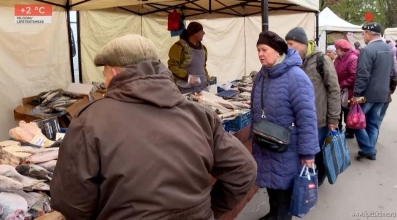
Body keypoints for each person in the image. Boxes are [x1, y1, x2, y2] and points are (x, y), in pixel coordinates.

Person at [50, 34, 257, 220]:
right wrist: (209, 210)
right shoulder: (200, 114)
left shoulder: (90, 121)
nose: (105, 81)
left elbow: (71, 205)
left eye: (104, 74)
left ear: (113, 72)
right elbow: (245, 170)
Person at [251, 30, 319, 220]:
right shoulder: (261, 76)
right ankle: (274, 214)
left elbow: (307, 118)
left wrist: (308, 153)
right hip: (265, 145)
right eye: (258, 50)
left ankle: (280, 216)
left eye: (264, 49)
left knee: (284, 193)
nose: (260, 54)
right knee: (272, 187)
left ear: (277, 50)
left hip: (287, 149)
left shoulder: (296, 77)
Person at [285, 27, 341, 186]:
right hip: (298, 119)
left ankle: (318, 179)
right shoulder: (291, 61)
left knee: (318, 154)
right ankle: (306, 178)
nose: (288, 47)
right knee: (302, 151)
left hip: (319, 120)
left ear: (302, 44)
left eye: (291, 43)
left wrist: (333, 118)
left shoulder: (322, 60)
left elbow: (334, 89)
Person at [353, 23, 396, 161]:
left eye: (363, 33)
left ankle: (369, 149)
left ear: (368, 33)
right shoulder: (387, 49)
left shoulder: (368, 50)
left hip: (368, 94)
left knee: (355, 122)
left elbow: (363, 74)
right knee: (373, 123)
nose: (363, 37)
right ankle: (370, 149)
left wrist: (356, 93)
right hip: (383, 93)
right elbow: (391, 72)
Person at [168, 22, 210, 94]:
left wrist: (207, 79)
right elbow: (172, 66)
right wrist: (187, 77)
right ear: (194, 33)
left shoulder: (203, 49)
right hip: (185, 90)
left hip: (202, 89)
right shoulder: (179, 46)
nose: (204, 33)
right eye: (201, 30)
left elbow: (203, 66)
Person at [334, 39, 358, 139]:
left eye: (337, 49)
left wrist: (342, 84)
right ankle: (338, 128)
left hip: (348, 90)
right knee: (338, 109)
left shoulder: (352, 58)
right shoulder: (338, 58)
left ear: (342, 49)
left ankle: (350, 131)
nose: (336, 51)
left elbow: (354, 75)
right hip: (339, 87)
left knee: (348, 110)